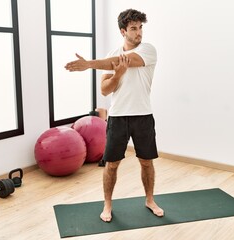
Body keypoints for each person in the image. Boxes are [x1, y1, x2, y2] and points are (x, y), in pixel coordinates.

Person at [65, 8, 164, 222]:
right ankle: (107, 205)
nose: (139, 33)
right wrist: (118, 74)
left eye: (140, 28)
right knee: (111, 164)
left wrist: (89, 64)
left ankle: (149, 199)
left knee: (147, 162)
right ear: (123, 31)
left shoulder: (148, 50)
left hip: (143, 115)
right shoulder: (111, 56)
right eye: (133, 29)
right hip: (118, 117)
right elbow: (105, 90)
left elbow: (120, 61)